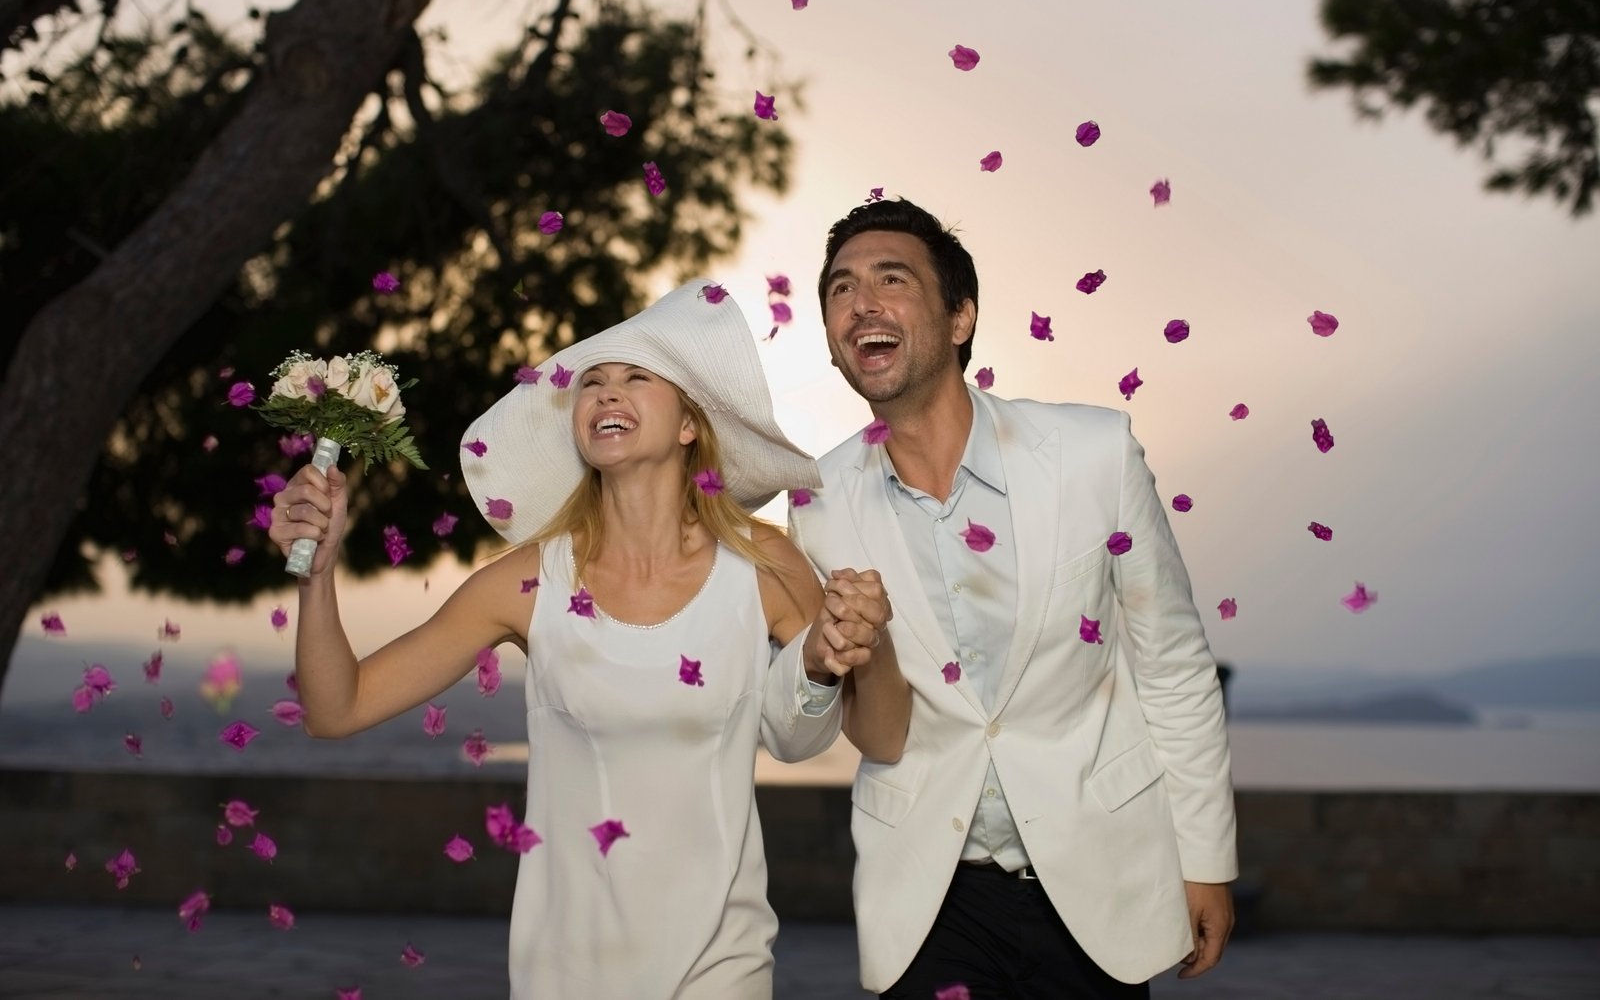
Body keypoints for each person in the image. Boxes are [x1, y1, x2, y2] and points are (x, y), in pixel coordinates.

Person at [268, 279, 902, 999]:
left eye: (637, 376)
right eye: (592, 382)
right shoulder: (523, 582)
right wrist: (316, 576)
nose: (606, 392)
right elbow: (336, 707)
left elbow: (801, 734)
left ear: (690, 423)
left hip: (721, 965)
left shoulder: (764, 564)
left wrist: (824, 660)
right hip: (564, 973)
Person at [784, 200, 1238, 998]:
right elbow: (835, 717)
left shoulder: (1094, 453)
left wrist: (1204, 858)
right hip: (931, 893)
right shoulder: (818, 501)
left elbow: (1172, 665)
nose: (862, 303)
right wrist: (821, 664)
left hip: (1093, 880)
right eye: (840, 289)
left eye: (892, 279)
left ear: (961, 316)